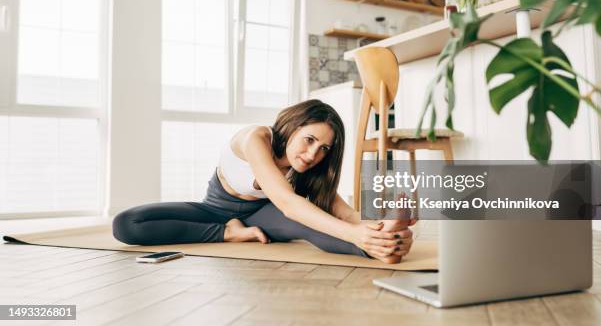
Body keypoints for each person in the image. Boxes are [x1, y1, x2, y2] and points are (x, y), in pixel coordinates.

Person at [113, 99, 414, 263]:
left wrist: (373, 226)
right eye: (309, 139)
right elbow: (287, 203)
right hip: (215, 211)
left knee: (310, 225)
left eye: (324, 148)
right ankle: (228, 233)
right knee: (126, 224)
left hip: (263, 215)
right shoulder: (256, 138)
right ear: (292, 127)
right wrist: (353, 233)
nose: (313, 154)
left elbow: (340, 211)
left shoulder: (311, 166)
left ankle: (380, 246)